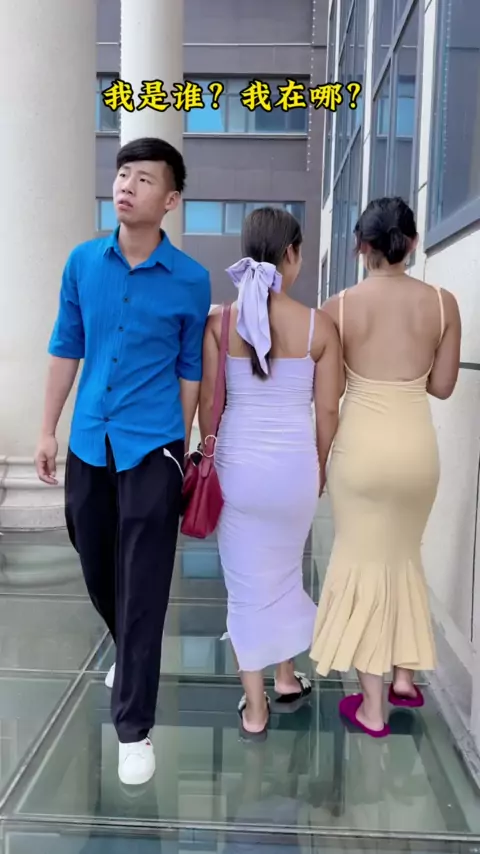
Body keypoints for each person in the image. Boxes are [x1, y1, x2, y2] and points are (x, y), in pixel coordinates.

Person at [34, 137, 211, 785]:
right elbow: (66, 347)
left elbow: (190, 369)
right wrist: (46, 430)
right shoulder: (83, 263)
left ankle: (134, 727)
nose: (127, 185)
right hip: (90, 439)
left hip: (153, 445)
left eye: (144, 178)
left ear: (170, 200)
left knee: (145, 583)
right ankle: (129, 646)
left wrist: (182, 447)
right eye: (123, 174)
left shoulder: (190, 280)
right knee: (94, 557)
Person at [310, 197, 461, 737]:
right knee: (403, 556)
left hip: (362, 451)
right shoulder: (443, 303)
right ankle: (404, 676)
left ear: (361, 247)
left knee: (362, 564)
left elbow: (327, 394)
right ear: (413, 243)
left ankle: (372, 709)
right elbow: (442, 386)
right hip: (417, 449)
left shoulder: (337, 308)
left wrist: (318, 461)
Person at [199, 207, 342, 740]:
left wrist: (206, 455)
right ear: (292, 254)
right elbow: (327, 413)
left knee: (246, 588)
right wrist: (319, 467)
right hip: (294, 470)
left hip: (238, 470)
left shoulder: (221, 322)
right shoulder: (319, 326)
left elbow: (209, 404)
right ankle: (286, 676)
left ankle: (256, 708)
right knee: (283, 574)